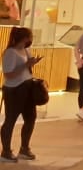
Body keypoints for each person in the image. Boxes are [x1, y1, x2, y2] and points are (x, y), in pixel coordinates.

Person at [1, 27, 39, 162]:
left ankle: (24, 148)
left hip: (27, 88)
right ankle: (6, 151)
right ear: (24, 38)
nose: (31, 39)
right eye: (30, 36)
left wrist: (31, 63)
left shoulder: (26, 50)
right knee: (10, 119)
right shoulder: (10, 53)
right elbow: (8, 74)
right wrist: (25, 65)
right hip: (14, 90)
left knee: (31, 118)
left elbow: (26, 69)